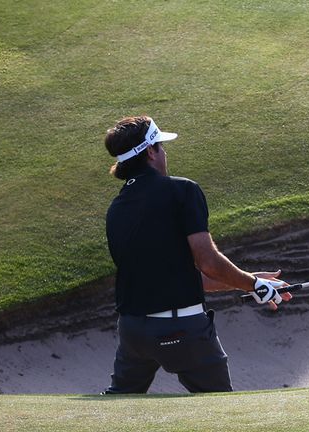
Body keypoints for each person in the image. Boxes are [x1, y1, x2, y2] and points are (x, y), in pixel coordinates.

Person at [101, 115, 291, 394]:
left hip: (133, 334)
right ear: (151, 151)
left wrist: (249, 280)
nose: (165, 154)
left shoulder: (116, 209)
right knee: (221, 411)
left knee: (120, 404)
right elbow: (207, 262)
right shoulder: (182, 190)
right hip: (181, 332)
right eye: (162, 147)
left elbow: (178, 278)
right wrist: (253, 285)